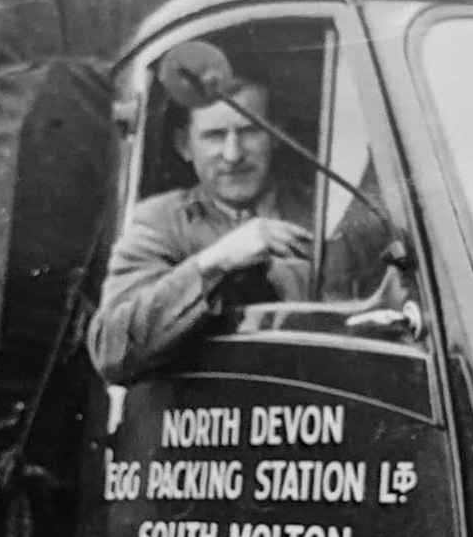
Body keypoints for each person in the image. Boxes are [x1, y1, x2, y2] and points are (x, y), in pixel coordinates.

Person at [88, 82, 313, 381]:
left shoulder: (322, 215)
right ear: (184, 145)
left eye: (249, 131)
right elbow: (111, 350)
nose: (233, 154)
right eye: (215, 135)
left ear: (275, 135)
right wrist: (214, 262)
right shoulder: (160, 222)